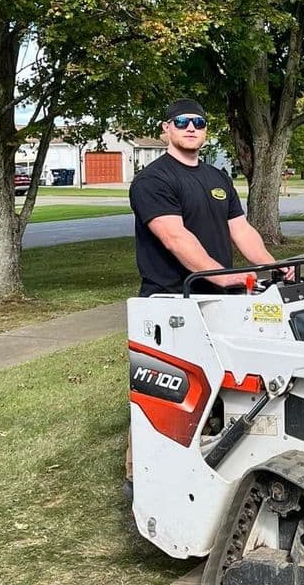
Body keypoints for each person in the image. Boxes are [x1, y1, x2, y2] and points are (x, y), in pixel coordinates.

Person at [124, 98, 289, 497]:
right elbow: (175, 237)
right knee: (168, 393)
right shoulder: (153, 181)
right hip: (172, 303)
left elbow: (242, 230)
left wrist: (271, 265)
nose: (191, 128)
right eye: (182, 122)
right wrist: (224, 275)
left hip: (223, 298)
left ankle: (215, 467)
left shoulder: (217, 177)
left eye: (199, 122)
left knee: (223, 386)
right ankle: (141, 479)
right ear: (166, 128)